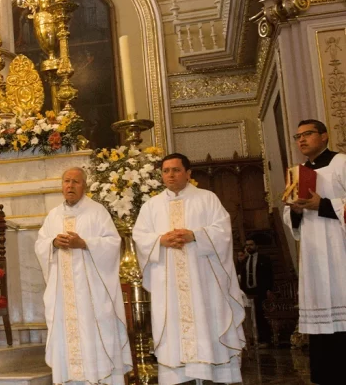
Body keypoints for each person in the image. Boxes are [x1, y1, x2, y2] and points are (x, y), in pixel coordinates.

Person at [132, 153, 245, 385]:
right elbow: (140, 236)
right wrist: (160, 240)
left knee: (206, 319)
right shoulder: (151, 206)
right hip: (168, 283)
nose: (170, 175)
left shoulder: (207, 199)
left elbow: (223, 230)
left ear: (188, 173)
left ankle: (211, 371)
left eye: (176, 170)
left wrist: (195, 235)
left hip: (203, 280)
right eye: (166, 171)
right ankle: (177, 376)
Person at [34, 167, 132, 384]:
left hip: (91, 294)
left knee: (93, 332)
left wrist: (84, 243)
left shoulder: (97, 212)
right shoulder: (53, 215)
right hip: (63, 294)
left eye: (75, 182)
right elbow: (40, 244)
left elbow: (113, 243)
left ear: (84, 186)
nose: (70, 186)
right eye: (66, 181)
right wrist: (53, 243)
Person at [281, 119, 346, 385]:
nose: (301, 140)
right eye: (298, 137)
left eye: (307, 134)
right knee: (320, 311)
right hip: (313, 252)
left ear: (324, 136)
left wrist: (324, 204)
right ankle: (325, 376)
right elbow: (288, 215)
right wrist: (295, 210)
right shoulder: (297, 173)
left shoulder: (341, 163)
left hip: (340, 249)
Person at [236, 237, 274, 347]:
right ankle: (251, 339)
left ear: (256, 246)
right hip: (247, 292)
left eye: (251, 244)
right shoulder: (245, 261)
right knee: (249, 316)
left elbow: (269, 275)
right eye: (247, 245)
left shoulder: (264, 259)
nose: (249, 247)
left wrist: (269, 289)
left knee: (260, 314)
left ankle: (265, 340)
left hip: (260, 290)